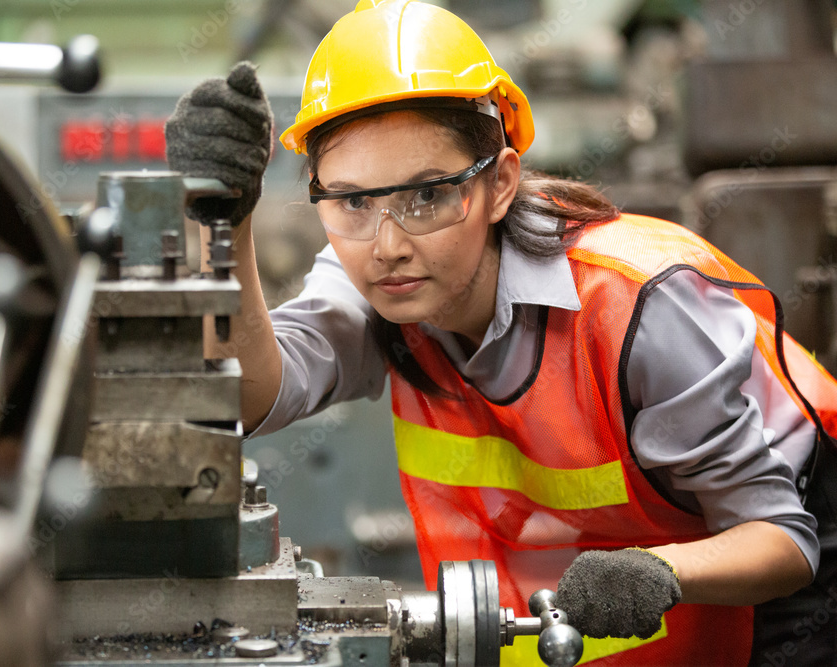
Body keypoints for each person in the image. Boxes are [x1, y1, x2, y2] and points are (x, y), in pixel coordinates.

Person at [164, 1, 837, 663]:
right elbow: (252, 395)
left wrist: (658, 571)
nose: (387, 243)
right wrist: (224, 221)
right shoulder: (380, 286)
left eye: (426, 194)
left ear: (500, 184)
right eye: (353, 202)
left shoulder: (638, 306)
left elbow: (783, 540)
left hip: (788, 580)